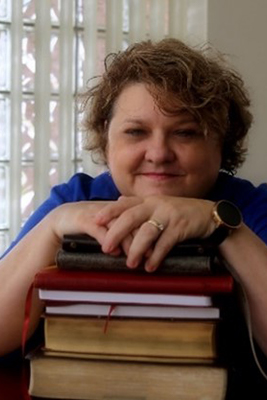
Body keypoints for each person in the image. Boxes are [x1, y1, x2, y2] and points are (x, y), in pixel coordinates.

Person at [0, 38, 267, 373]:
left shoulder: (252, 207)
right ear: (105, 138)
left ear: (222, 143)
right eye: (136, 132)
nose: (158, 153)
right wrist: (53, 225)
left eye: (185, 133)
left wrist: (225, 229)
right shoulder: (73, 200)